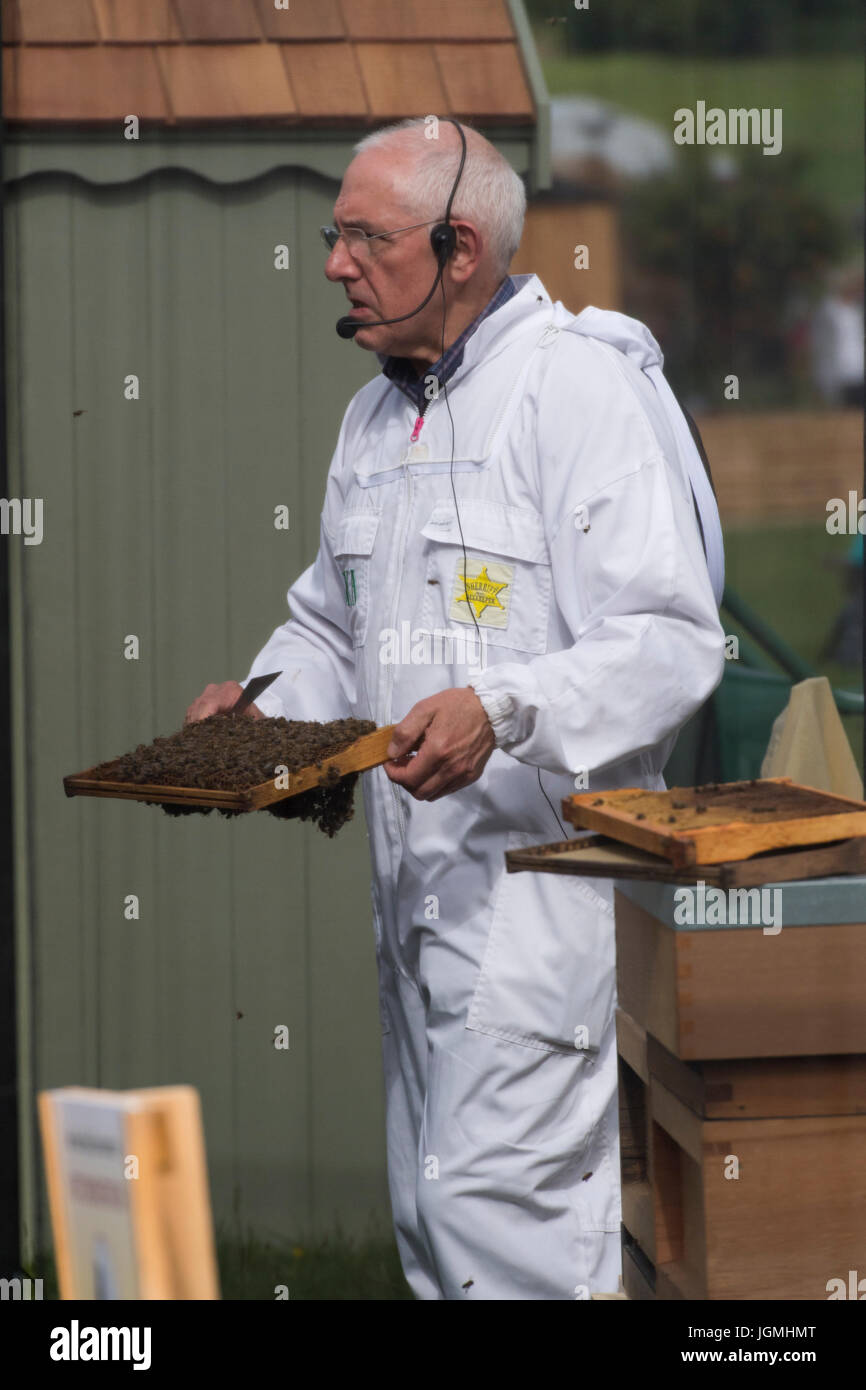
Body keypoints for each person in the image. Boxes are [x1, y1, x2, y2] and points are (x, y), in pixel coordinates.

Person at [186, 118, 726, 1300]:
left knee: (508, 1240)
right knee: (433, 1230)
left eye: (363, 238)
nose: (333, 261)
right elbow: (334, 626)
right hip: (411, 909)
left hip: (545, 915)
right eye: (335, 235)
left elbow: (670, 642)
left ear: (459, 246)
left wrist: (501, 706)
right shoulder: (375, 419)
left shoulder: (575, 388)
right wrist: (261, 714)